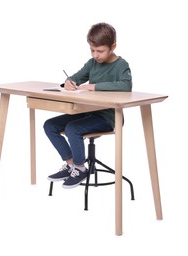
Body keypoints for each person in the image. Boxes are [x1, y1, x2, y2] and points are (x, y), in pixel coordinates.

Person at [44, 22, 132, 189]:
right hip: (88, 111)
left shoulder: (121, 65)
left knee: (72, 129)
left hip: (108, 117)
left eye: (100, 51)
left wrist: (94, 86)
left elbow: (126, 85)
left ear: (113, 46)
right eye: (92, 50)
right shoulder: (92, 63)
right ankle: (71, 165)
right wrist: (69, 82)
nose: (95, 55)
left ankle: (81, 168)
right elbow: (77, 77)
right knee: (50, 125)